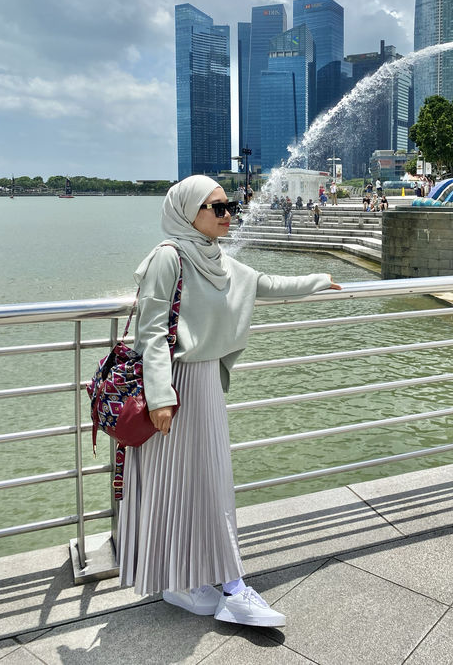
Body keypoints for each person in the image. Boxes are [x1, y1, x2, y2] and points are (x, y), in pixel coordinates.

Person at [118, 176, 341, 627]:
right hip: (175, 389)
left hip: (204, 386)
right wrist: (161, 397)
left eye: (230, 205)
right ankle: (218, 587)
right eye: (216, 207)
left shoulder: (218, 259)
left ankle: (198, 582)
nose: (228, 214)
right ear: (187, 212)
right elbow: (153, 333)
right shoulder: (170, 258)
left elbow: (265, 283)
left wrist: (321, 280)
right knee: (181, 483)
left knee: (207, 482)